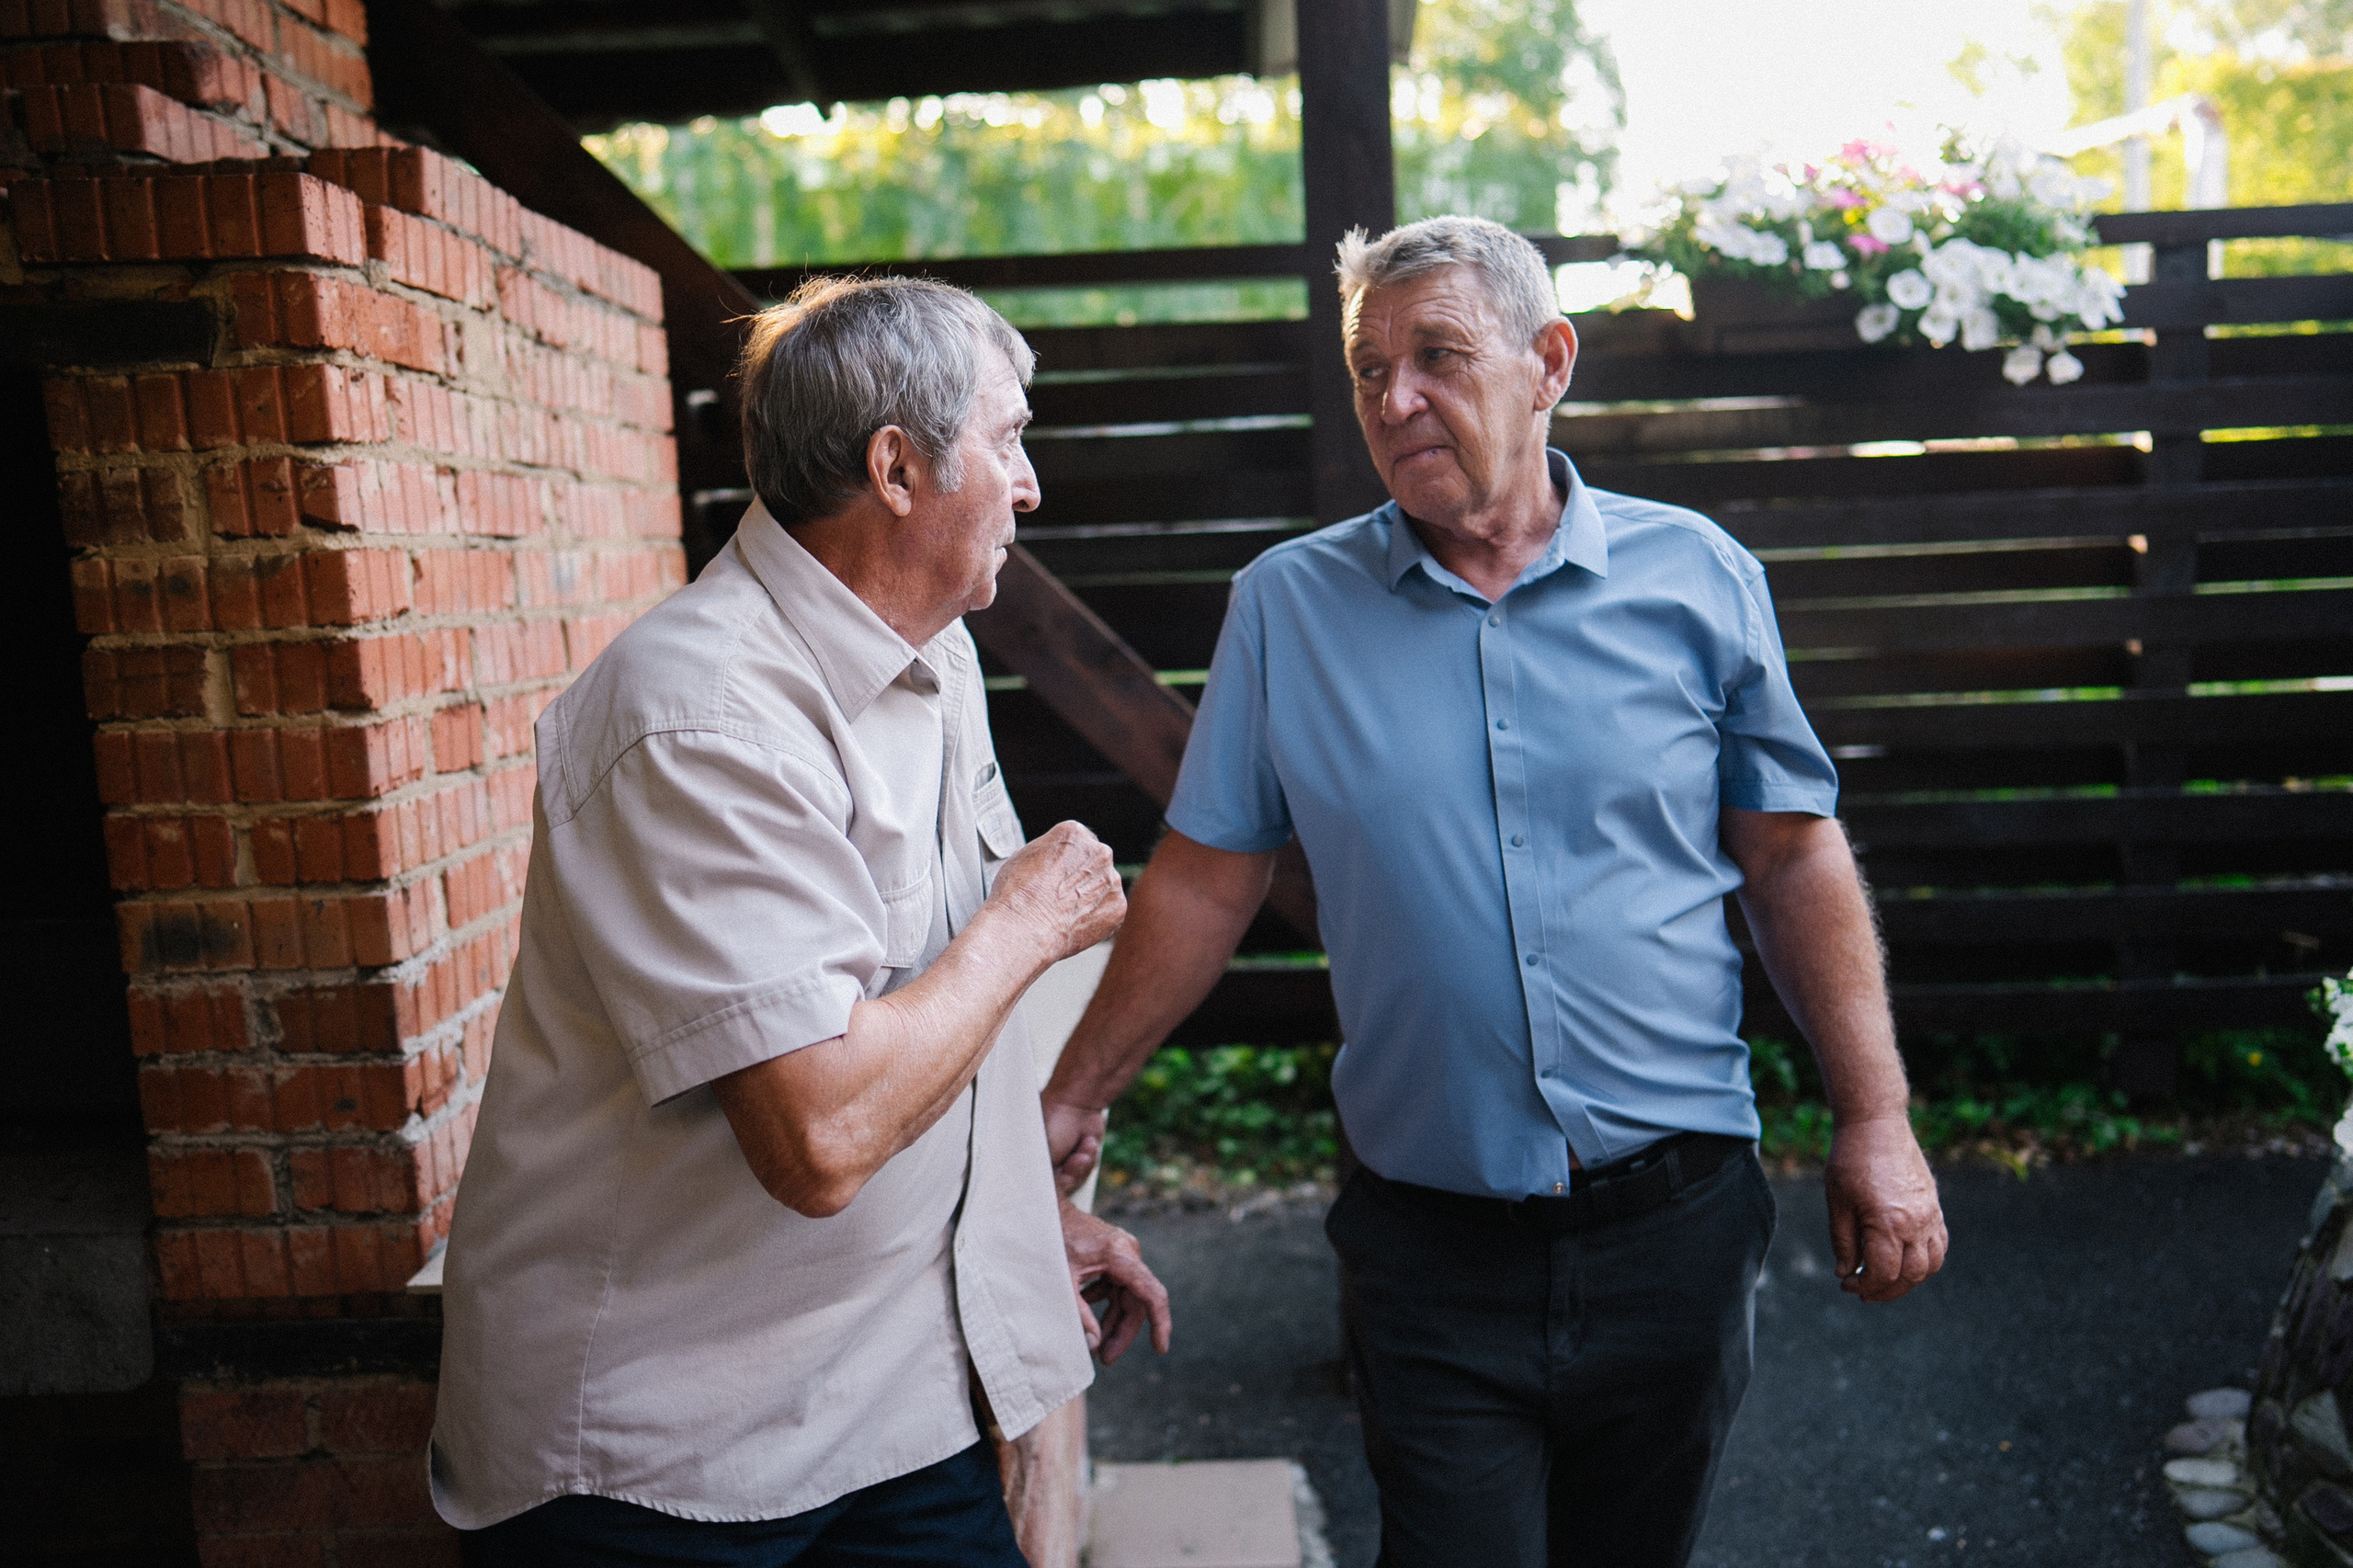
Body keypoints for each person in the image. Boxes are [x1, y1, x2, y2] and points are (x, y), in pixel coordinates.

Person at [1039, 216, 1948, 1567]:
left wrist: (1875, 1114)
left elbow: (1791, 852)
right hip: (1430, 1252)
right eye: (1367, 368)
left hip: (1676, 1226)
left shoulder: (1697, 576)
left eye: (1437, 356)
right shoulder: (1288, 607)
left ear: (1548, 363)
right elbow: (1205, 882)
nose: (1394, 397)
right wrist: (1073, 1092)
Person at [430, 276, 1170, 1566]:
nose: (1032, 483)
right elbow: (822, 1132)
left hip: (891, 1406)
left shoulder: (930, 653)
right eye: (1008, 440)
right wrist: (1026, 922)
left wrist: (1016, 1228)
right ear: (897, 466)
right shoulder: (699, 715)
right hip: (663, 1467)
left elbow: (925, 1007)